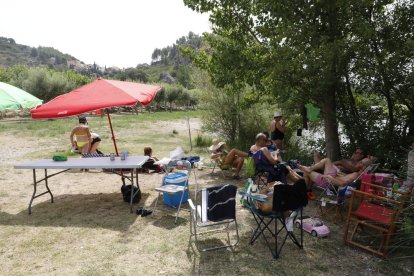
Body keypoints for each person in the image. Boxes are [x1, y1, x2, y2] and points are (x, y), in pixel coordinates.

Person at [298, 157, 372, 199]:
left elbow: (342, 183)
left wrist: (330, 177)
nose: (359, 162)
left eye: (361, 162)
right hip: (333, 178)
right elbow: (344, 181)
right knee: (326, 160)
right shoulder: (359, 175)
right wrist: (340, 174)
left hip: (330, 182)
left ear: (363, 166)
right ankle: (306, 191)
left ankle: (303, 193)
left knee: (306, 172)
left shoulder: (356, 175)